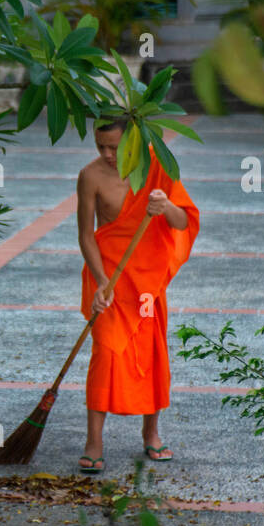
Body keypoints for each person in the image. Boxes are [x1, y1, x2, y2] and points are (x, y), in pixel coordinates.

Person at [75, 117, 199, 473]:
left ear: (132, 139)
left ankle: (152, 433)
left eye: (114, 146)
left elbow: (181, 222)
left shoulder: (156, 166)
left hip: (147, 280)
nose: (108, 154)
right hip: (109, 277)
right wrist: (101, 282)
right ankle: (94, 442)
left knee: (151, 352)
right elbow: (86, 235)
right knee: (106, 351)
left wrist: (166, 207)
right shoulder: (90, 176)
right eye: (101, 146)